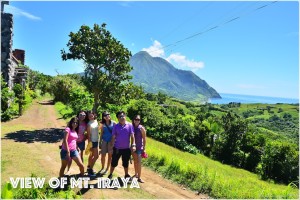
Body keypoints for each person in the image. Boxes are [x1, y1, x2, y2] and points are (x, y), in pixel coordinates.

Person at [107, 111, 136, 179]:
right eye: (120, 117)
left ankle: (126, 175)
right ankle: (110, 174)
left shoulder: (130, 125)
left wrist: (133, 144)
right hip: (117, 148)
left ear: (125, 117)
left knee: (125, 162)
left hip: (126, 148)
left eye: (123, 116)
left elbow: (132, 136)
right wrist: (111, 147)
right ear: (118, 118)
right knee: (114, 162)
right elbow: (113, 137)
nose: (122, 117)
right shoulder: (116, 126)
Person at [132, 115, 147, 183]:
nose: (137, 120)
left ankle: (139, 177)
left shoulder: (141, 128)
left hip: (139, 148)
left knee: (139, 162)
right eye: (136, 119)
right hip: (133, 147)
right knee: (135, 161)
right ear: (134, 120)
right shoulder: (132, 127)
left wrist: (144, 148)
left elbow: (144, 139)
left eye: (138, 119)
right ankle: (136, 174)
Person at [86, 110, 99, 176]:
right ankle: (90, 169)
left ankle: (89, 166)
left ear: (94, 115)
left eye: (92, 115)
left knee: (92, 155)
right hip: (92, 142)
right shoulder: (89, 124)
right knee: (96, 156)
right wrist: (89, 145)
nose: (91, 117)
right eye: (89, 116)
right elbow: (88, 135)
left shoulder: (96, 121)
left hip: (96, 141)